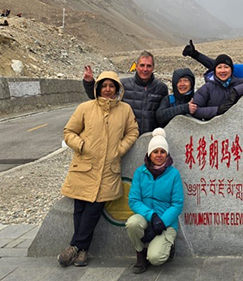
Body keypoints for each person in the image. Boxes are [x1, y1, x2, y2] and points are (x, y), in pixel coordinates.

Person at [58, 71, 139, 268]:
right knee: (80, 209)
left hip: (108, 170)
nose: (108, 89)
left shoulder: (125, 109)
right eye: (104, 86)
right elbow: (69, 132)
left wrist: (120, 149)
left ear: (117, 89)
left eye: (112, 86)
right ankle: (82, 250)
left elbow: (133, 131)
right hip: (84, 167)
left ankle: (74, 247)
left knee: (94, 210)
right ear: (98, 88)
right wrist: (82, 145)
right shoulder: (85, 108)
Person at [126, 128, 183, 274]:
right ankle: (140, 252)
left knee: (156, 258)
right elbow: (133, 200)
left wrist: (161, 221)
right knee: (132, 223)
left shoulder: (174, 174)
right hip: (146, 217)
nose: (159, 155)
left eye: (162, 151)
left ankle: (166, 246)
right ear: (149, 153)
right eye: (155, 151)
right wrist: (152, 216)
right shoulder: (140, 172)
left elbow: (177, 204)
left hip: (165, 221)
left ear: (167, 154)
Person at [83, 51, 168, 134]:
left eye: (149, 66)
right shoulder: (123, 85)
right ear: (136, 66)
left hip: (151, 138)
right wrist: (89, 82)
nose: (145, 69)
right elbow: (101, 99)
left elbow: (164, 114)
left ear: (153, 68)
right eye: (142, 65)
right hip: (127, 137)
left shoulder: (161, 88)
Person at [191, 54, 243, 120]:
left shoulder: (238, 83)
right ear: (215, 70)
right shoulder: (207, 88)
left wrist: (236, 91)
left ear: (231, 70)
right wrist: (218, 110)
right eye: (219, 67)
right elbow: (194, 110)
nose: (223, 71)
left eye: (226, 67)